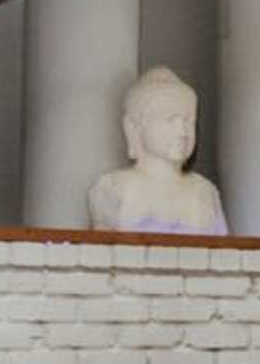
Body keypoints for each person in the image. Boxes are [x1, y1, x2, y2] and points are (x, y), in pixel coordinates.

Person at [86, 65, 229, 236]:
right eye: (170, 120)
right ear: (135, 127)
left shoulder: (204, 192)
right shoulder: (114, 189)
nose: (182, 132)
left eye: (189, 121)